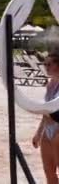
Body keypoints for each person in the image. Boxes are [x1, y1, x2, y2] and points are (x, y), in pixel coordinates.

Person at [32, 52, 59, 183]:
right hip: (48, 129)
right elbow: (46, 110)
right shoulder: (50, 84)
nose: (46, 67)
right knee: (49, 170)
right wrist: (38, 133)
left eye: (50, 64)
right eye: (45, 64)